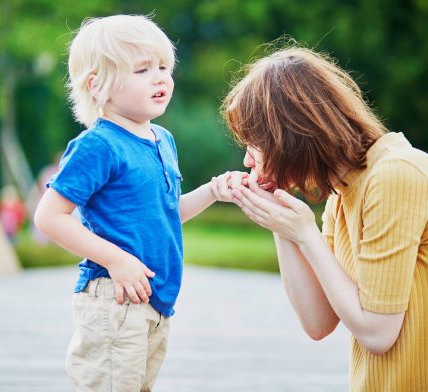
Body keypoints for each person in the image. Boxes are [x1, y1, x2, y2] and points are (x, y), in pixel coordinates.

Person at [34, 15, 242, 392]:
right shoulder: (98, 145)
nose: (160, 77)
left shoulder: (162, 139)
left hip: (154, 302)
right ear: (97, 86)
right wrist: (115, 259)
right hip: (115, 301)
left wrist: (213, 191)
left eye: (164, 67)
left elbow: (166, 213)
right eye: (142, 69)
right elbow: (49, 217)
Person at [222, 46, 428, 391]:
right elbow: (318, 322)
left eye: (254, 144)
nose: (247, 161)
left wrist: (306, 235)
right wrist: (281, 224)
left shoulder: (396, 173)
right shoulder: (342, 194)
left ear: (291, 133)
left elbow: (378, 333)